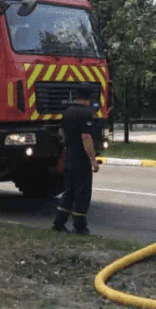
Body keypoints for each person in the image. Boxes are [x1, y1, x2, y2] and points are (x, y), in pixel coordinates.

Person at [52, 90, 100, 235]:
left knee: (69, 193)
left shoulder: (67, 112)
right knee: (82, 193)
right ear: (89, 97)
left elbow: (61, 134)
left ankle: (59, 223)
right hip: (81, 160)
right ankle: (79, 226)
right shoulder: (87, 113)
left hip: (69, 159)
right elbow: (86, 137)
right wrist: (93, 160)